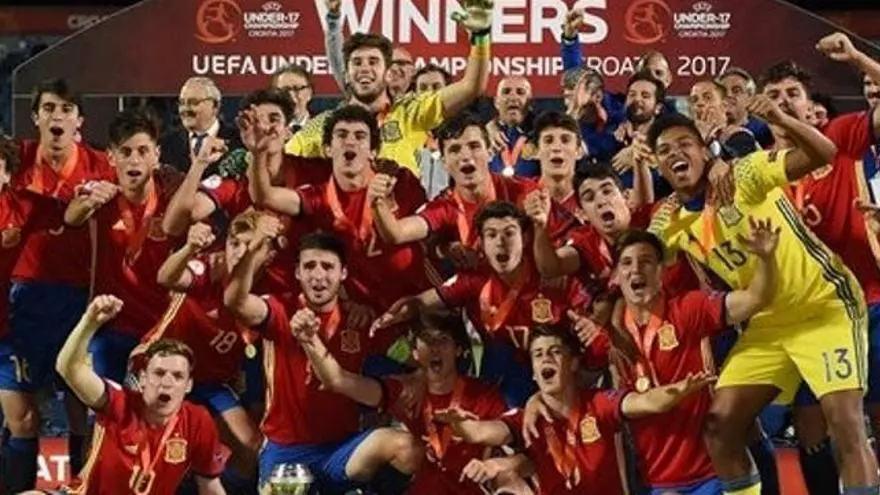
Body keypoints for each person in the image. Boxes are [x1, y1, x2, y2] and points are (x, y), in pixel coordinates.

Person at [647, 101, 877, 495]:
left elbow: (823, 152)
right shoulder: (666, 220)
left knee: (845, 423)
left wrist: (781, 119)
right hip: (766, 324)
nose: (675, 154)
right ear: (658, 165)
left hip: (824, 306)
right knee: (721, 426)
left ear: (704, 150)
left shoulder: (743, 174)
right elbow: (638, 259)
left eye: (684, 143)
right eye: (664, 150)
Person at [759, 34, 880, 494]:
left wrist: (857, 58)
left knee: (871, 418)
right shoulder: (758, 170)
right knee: (812, 429)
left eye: (793, 93)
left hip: (869, 301)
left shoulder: (840, 137)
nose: (783, 101)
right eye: (773, 95)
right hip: (808, 318)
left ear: (811, 109)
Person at [224, 230, 422, 494]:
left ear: (343, 274)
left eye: (328, 267)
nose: (318, 275)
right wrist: (252, 253)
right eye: (309, 266)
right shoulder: (279, 310)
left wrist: (419, 376)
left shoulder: (360, 321)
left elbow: (411, 357)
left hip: (342, 450)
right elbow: (234, 301)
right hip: (286, 451)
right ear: (297, 273)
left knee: (407, 448)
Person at [434, 323, 716, 494]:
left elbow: (647, 402)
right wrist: (459, 425)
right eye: (538, 355)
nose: (546, 359)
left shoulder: (599, 404)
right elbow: (483, 433)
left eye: (555, 352)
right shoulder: (528, 420)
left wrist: (680, 389)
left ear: (573, 364)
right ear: (533, 372)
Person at [602, 227, 777, 494]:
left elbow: (755, 299)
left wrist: (765, 259)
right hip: (657, 482)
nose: (635, 269)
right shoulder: (608, 335)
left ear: (661, 271)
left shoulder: (689, 309)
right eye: (626, 263)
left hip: (712, 473)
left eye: (646, 261)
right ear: (616, 276)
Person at [372, 201, 588, 406]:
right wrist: (402, 311)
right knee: (497, 368)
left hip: (560, 362)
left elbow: (588, 323)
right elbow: (422, 302)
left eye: (509, 233)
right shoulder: (475, 279)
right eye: (491, 235)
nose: (501, 242)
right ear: (482, 244)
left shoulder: (550, 274)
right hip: (510, 364)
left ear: (525, 238)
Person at [8, 78, 113, 486]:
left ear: (79, 121)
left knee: (78, 399)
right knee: (24, 412)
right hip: (24, 296)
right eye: (49, 108)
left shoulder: (101, 165)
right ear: (36, 117)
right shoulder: (16, 158)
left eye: (66, 109)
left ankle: (79, 486)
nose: (58, 116)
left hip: (80, 297)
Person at [293, 308, 515, 494]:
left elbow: (507, 447)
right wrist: (310, 339)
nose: (434, 348)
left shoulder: (483, 395)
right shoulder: (406, 392)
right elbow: (338, 380)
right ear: (415, 352)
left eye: (443, 340)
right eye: (426, 340)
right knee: (399, 444)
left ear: (458, 349)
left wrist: (472, 432)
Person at [248, 104, 433, 314]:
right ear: (328, 148)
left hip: (413, 302)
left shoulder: (401, 182)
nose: (350, 141)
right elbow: (264, 196)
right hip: (359, 311)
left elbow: (428, 234)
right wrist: (258, 153)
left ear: (373, 151)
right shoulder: (317, 198)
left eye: (360, 136)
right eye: (342, 135)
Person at [287, 0, 494, 175]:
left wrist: (481, 37)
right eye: (357, 63)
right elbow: (281, 164)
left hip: (403, 211)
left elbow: (471, 87)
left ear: (388, 73)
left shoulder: (411, 113)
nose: (364, 68)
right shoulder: (323, 126)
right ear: (347, 75)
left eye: (373, 62)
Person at [55, 295, 228, 494]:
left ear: (188, 385)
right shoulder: (118, 402)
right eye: (159, 373)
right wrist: (89, 322)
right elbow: (69, 368)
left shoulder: (197, 421)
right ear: (143, 378)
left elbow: (210, 486)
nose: (167, 383)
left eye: (178, 376)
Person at [64, 108, 181, 384]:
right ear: (111, 156)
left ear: (156, 155)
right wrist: (88, 201)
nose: (134, 160)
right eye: (125, 152)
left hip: (159, 326)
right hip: (110, 327)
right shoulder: (100, 194)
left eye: (143, 151)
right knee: (99, 398)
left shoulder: (173, 200)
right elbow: (71, 216)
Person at [151, 215, 268, 491]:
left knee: (252, 446)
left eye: (250, 246)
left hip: (211, 383)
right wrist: (189, 248)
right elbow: (166, 277)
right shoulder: (209, 267)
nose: (239, 252)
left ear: (268, 254)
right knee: (156, 447)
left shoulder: (271, 288)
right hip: (161, 370)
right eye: (234, 243)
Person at [371, 112, 537, 273]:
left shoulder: (521, 190)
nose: (465, 156)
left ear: (489, 153)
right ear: (444, 162)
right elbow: (396, 234)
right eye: (455, 150)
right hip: (475, 287)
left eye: (474, 146)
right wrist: (376, 201)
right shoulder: (444, 207)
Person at [0, 136, 67, 494]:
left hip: (9, 332)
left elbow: (69, 209)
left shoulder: (23, 207)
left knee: (27, 419)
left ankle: (30, 489)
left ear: (7, 173)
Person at [159, 77, 241, 175]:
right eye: (182, 103)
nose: (185, 109)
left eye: (193, 102)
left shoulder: (239, 140)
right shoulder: (166, 144)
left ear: (215, 106)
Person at [488, 76, 539, 178]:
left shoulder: (541, 134)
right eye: (506, 92)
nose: (513, 97)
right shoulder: (484, 136)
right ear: (496, 102)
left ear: (530, 103)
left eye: (520, 92)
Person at [718, 68, 774, 149]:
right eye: (723, 91)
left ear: (750, 96)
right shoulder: (709, 133)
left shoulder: (764, 130)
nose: (729, 95)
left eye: (736, 91)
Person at [271, 64, 313, 133]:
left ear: (309, 93)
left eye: (297, 88)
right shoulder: (266, 131)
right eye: (285, 90)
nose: (292, 95)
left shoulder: (326, 127)